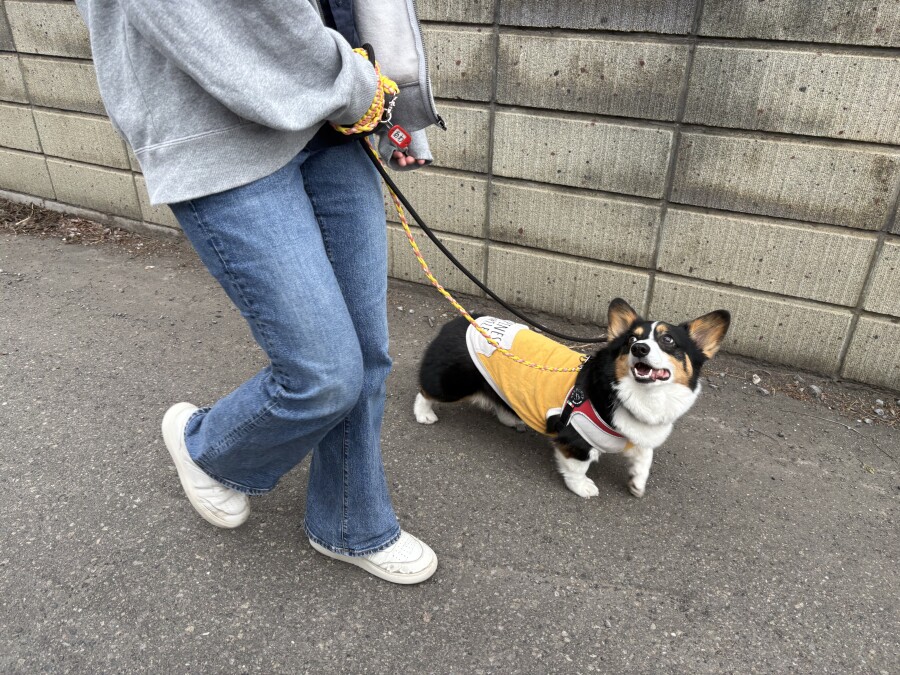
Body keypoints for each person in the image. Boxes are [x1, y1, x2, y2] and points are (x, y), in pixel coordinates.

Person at [75, 0, 445, 584]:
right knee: (323, 375)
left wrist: (394, 110)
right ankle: (205, 446)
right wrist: (358, 87)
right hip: (214, 121)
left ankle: (350, 524)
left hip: (334, 122)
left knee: (367, 356)